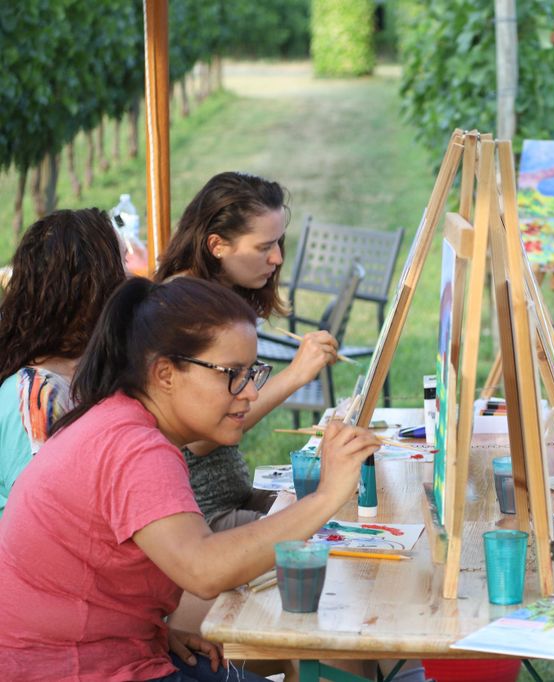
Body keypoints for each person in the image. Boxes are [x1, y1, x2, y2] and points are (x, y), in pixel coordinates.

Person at [0, 277, 380, 681]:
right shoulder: (134, 447)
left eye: (253, 372)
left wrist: (155, 633)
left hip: (90, 653)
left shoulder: (120, 419)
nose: (250, 391)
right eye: (231, 373)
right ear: (165, 373)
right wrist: (324, 498)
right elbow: (203, 571)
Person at [155, 171, 341, 530]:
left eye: (278, 243)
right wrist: (295, 375)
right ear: (217, 245)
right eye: (263, 247)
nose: (277, 259)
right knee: (323, 534)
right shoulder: (183, 304)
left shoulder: (220, 295)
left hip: (232, 497)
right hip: (202, 516)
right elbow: (201, 440)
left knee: (340, 512)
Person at [0, 208, 126, 517]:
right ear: (93, 285)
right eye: (122, 262)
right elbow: (44, 521)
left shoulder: (81, 373)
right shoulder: (36, 395)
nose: (130, 276)